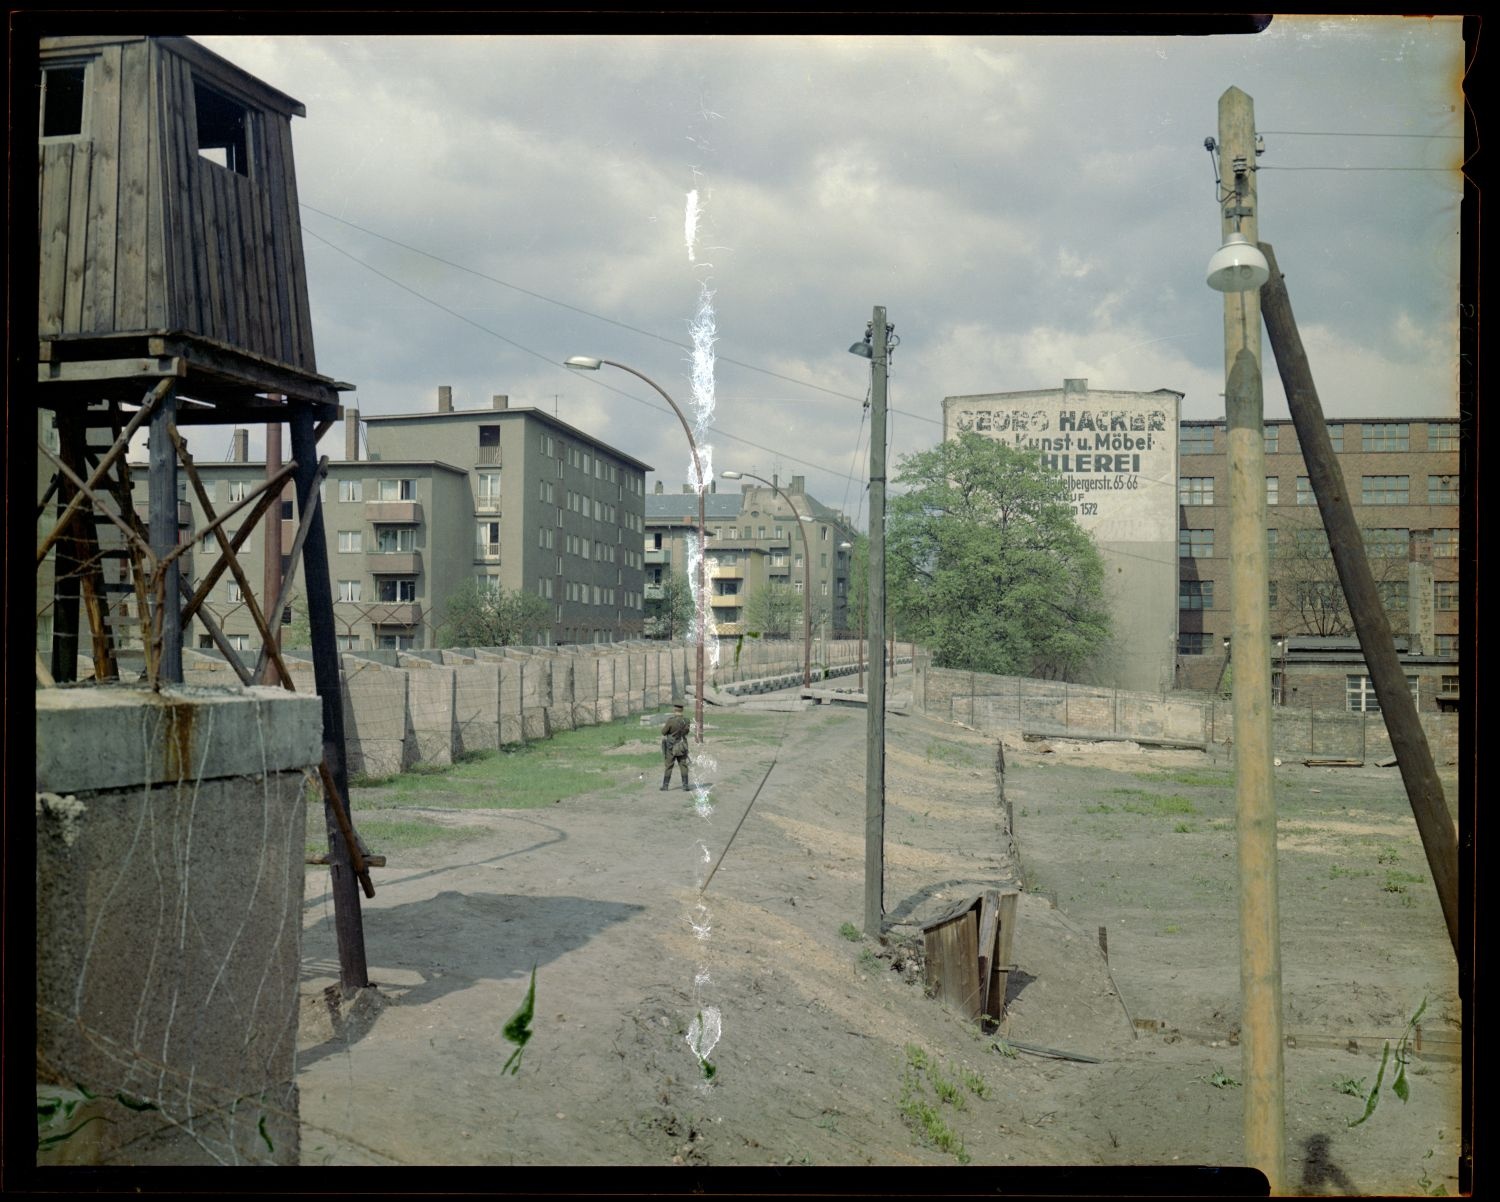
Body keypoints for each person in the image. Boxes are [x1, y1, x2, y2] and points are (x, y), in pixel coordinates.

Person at [660, 702, 691, 791]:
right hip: (682, 746)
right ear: (682, 710)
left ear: (674, 710)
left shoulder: (671, 721)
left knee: (669, 766)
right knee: (683, 765)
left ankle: (665, 786)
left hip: (671, 747)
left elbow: (663, 732)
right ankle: (685, 786)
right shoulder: (687, 720)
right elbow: (687, 732)